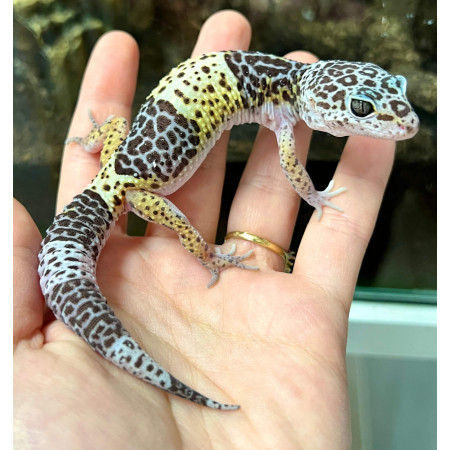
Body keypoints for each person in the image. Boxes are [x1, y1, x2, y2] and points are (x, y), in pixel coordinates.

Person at [13, 9, 395, 448]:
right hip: (136, 189)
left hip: (116, 157)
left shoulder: (287, 84)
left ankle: (101, 144)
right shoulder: (288, 105)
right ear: (321, 98)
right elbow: (290, 166)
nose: (379, 123)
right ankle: (205, 255)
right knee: (181, 221)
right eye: (362, 112)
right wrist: (313, 198)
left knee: (124, 144)